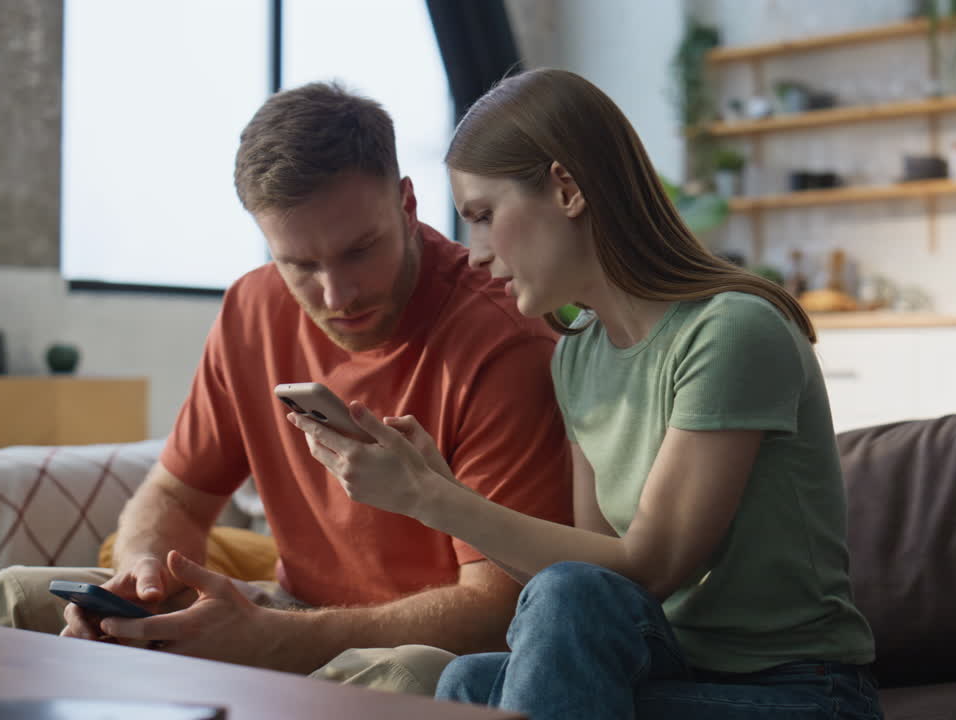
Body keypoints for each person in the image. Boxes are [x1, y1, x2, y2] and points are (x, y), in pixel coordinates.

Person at [287, 68, 884, 719]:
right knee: (464, 680)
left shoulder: (731, 331)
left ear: (566, 189)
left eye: (485, 216)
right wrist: (443, 489)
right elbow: (600, 579)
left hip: (799, 692)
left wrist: (433, 502)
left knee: (558, 606)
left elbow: (649, 567)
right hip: (673, 669)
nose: (476, 253)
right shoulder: (578, 356)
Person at [0, 81, 573, 694]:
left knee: (410, 673)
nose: (337, 296)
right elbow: (175, 495)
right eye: (300, 264)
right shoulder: (251, 308)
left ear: (407, 206)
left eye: (360, 250)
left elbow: (497, 610)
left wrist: (272, 637)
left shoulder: (503, 342)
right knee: (16, 596)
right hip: (281, 612)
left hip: (408, 648)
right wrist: (141, 578)